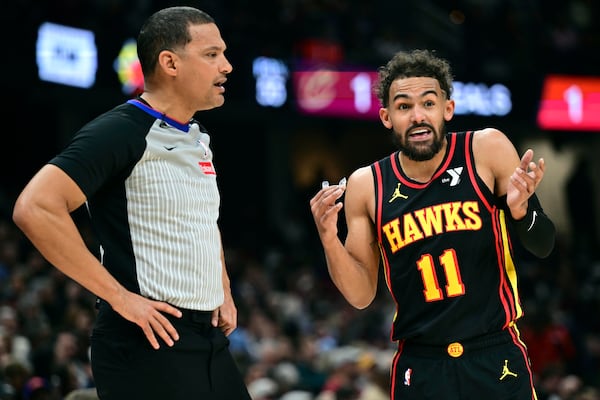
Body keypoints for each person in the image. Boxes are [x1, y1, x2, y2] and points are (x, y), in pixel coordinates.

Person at [12, 6, 251, 400]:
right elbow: (35, 207)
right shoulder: (120, 130)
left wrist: (221, 286)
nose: (226, 66)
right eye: (212, 55)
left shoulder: (198, 136)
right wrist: (120, 297)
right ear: (170, 63)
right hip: (146, 340)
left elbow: (202, 220)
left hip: (205, 338)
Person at [309, 49, 556, 399]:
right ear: (386, 117)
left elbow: (544, 244)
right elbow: (361, 295)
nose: (418, 116)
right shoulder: (367, 185)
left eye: (428, 103)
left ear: (447, 109)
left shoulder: (486, 149)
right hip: (421, 364)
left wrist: (520, 213)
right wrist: (329, 238)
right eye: (404, 106)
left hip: (494, 354)